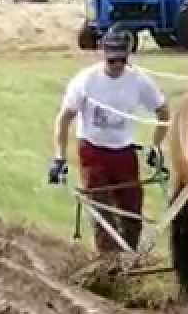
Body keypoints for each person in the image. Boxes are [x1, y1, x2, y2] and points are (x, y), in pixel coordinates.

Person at [50, 25, 169, 254]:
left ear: (127, 58)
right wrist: (59, 158)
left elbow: (163, 112)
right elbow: (64, 119)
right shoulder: (85, 81)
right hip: (93, 151)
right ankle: (109, 265)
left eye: (121, 61)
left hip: (124, 152)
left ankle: (130, 258)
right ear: (103, 55)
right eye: (111, 61)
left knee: (132, 212)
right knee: (102, 211)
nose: (116, 66)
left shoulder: (139, 81)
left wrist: (155, 146)